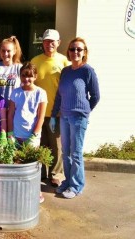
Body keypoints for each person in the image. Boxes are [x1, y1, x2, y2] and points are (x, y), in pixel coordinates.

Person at [50, 37, 100, 199]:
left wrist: (85, 111)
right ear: (68, 52)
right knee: (66, 152)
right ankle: (68, 181)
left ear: (84, 52)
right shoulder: (65, 71)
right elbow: (59, 95)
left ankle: (77, 185)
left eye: (79, 49)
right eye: (72, 49)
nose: (75, 52)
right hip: (64, 117)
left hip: (78, 118)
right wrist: (53, 115)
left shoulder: (88, 71)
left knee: (76, 153)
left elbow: (95, 96)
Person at [30, 29, 70, 186]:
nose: (49, 44)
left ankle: (55, 174)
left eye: (52, 41)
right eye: (46, 41)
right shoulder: (35, 61)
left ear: (58, 43)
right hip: (38, 112)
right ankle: (41, 173)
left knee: (56, 146)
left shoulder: (64, 62)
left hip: (57, 113)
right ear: (43, 43)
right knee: (40, 144)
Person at [7, 61, 47, 203]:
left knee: (33, 165)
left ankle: (37, 191)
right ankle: (17, 190)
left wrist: (34, 135)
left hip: (31, 135)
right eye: (23, 76)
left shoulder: (41, 93)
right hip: (16, 134)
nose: (26, 79)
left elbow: (41, 116)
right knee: (15, 162)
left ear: (35, 76)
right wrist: (10, 133)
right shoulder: (15, 93)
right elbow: (11, 114)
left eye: (29, 76)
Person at [0, 36, 23, 107]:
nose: (5, 54)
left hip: (15, 107)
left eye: (8, 51)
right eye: (3, 51)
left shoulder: (19, 68)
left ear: (14, 51)